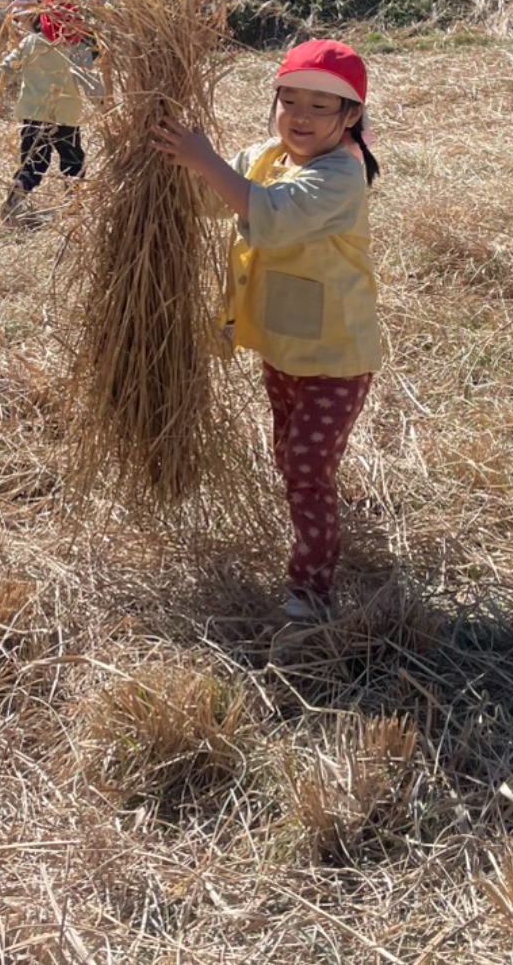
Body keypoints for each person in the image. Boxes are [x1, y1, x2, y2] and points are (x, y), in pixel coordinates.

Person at [155, 39, 383, 622]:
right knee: (292, 455)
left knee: (306, 471)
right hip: (283, 341)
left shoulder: (340, 174)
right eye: (291, 100)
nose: (301, 116)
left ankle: (311, 593)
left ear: (351, 115)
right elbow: (218, 199)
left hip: (336, 352)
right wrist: (169, 164)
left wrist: (204, 159)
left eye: (321, 105)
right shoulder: (268, 157)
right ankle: (325, 523)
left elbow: (271, 216)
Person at [0, 0, 102, 225]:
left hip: (33, 115)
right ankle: (73, 208)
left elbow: (5, 68)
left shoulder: (30, 42)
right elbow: (92, 85)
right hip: (65, 118)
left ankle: (19, 189)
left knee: (33, 163)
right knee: (73, 162)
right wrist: (102, 102)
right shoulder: (77, 49)